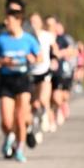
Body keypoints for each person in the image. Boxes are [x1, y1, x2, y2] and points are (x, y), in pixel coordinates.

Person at [0, 8, 40, 163]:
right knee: (6, 121)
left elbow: (40, 57)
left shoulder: (28, 39)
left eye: (9, 20)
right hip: (6, 80)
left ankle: (19, 149)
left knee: (20, 117)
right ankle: (10, 135)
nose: (6, 23)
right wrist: (2, 61)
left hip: (23, 80)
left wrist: (33, 59)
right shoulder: (1, 39)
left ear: (19, 21)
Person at [28, 12, 58, 147]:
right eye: (31, 22)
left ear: (41, 23)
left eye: (36, 21)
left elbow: (55, 49)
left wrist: (55, 59)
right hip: (30, 73)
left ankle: (44, 117)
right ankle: (36, 127)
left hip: (45, 71)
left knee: (43, 100)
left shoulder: (47, 36)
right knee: (34, 104)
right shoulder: (27, 36)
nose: (33, 24)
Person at [48, 16, 75, 127]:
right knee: (51, 97)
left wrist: (60, 53)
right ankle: (53, 114)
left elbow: (71, 51)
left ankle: (60, 107)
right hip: (47, 72)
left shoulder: (62, 38)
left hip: (60, 71)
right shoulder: (43, 37)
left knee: (61, 96)